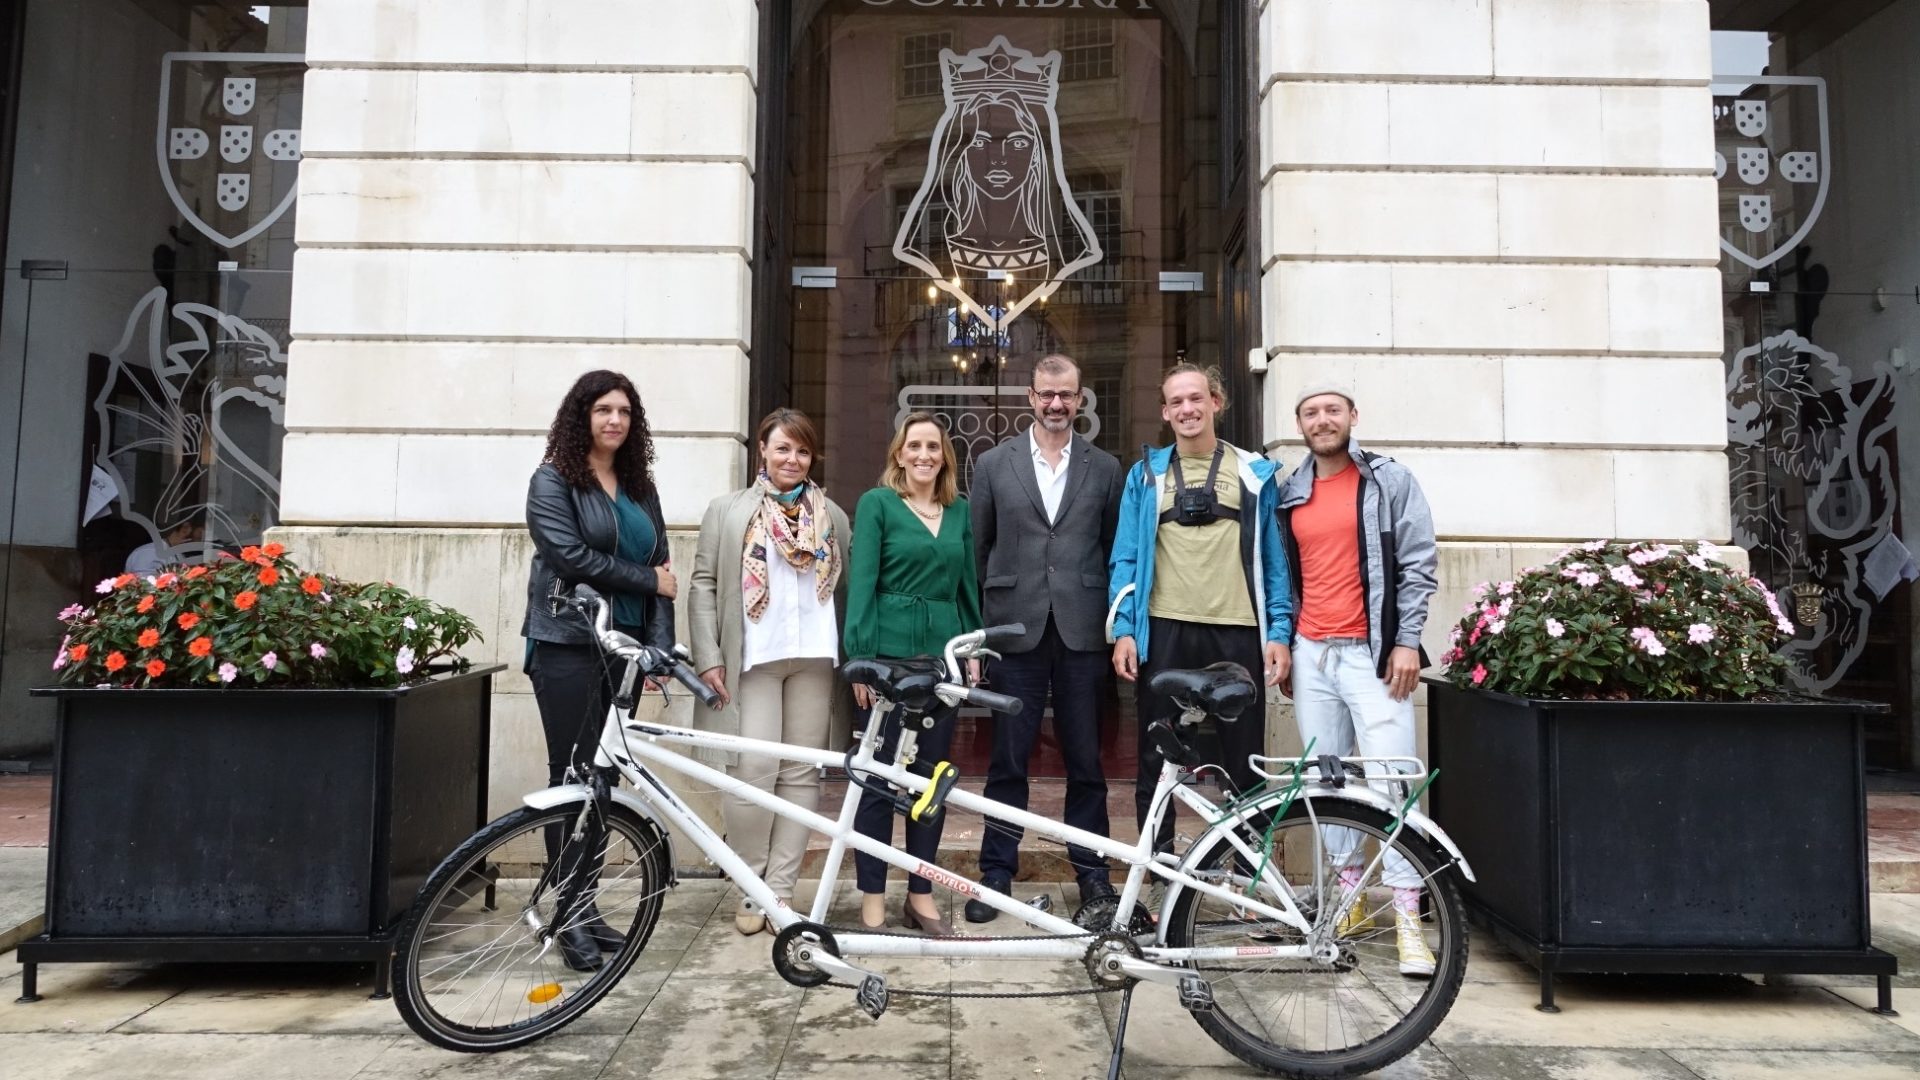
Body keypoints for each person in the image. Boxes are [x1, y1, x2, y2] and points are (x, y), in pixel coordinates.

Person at [1277, 385, 1439, 977]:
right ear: (1299, 424)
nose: (1322, 421)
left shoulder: (1388, 481)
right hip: (1313, 652)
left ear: (1352, 417)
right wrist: (1288, 647)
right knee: (1329, 785)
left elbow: (1418, 565)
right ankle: (1349, 908)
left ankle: (1407, 918)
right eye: (1311, 413)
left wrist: (1405, 641)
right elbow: (1283, 575)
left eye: (1332, 411)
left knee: (1394, 786)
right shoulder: (1288, 491)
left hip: (1374, 657)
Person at [522, 369, 675, 972]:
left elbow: (664, 566)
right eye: (603, 409)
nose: (615, 420)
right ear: (581, 415)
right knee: (571, 781)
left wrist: (661, 648)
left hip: (625, 649)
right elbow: (571, 557)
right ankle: (569, 913)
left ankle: (586, 906)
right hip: (566, 645)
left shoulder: (639, 486)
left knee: (604, 783)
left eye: (625, 411)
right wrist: (646, 579)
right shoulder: (552, 480)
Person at [963, 355, 1122, 923]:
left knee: (1086, 760)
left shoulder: (1105, 467)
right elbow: (977, 550)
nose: (1057, 405)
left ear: (1081, 400)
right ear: (1030, 397)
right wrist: (980, 637)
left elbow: (1110, 546)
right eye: (1047, 395)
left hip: (1082, 629)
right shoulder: (992, 463)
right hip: (1013, 627)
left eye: (1068, 395)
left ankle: (1095, 876)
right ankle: (997, 873)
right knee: (1007, 759)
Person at [1108, 363, 1293, 851]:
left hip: (1237, 630)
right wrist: (1124, 629)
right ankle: (1158, 865)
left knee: (1243, 758)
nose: (1187, 409)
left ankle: (1249, 877)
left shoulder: (1253, 473)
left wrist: (1277, 632)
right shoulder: (1144, 475)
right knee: (1155, 754)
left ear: (1216, 402)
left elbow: (1273, 560)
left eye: (1196, 398)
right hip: (1165, 630)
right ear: (1165, 412)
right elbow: (1125, 557)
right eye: (1176, 402)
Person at [689, 408, 852, 937]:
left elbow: (843, 589)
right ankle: (750, 885)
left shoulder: (833, 516)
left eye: (802, 451)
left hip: (813, 655)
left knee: (802, 775)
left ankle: (782, 891)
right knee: (752, 774)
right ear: (762, 448)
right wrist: (708, 655)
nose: (792, 459)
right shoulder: (728, 510)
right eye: (783, 448)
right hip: (753, 657)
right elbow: (703, 585)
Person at [843, 412, 982, 936]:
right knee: (879, 778)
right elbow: (863, 583)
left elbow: (967, 585)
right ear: (899, 455)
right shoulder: (878, 504)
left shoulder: (958, 510)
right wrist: (859, 657)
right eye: (914, 445)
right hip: (886, 660)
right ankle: (873, 898)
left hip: (940, 660)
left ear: (945, 457)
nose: (924, 454)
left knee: (930, 782)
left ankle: (920, 893)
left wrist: (972, 647)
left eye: (934, 446)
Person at [124, 519, 203, 574]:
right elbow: (144, 586)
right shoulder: (149, 552)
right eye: (200, 534)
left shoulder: (177, 553)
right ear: (185, 529)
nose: (201, 540)